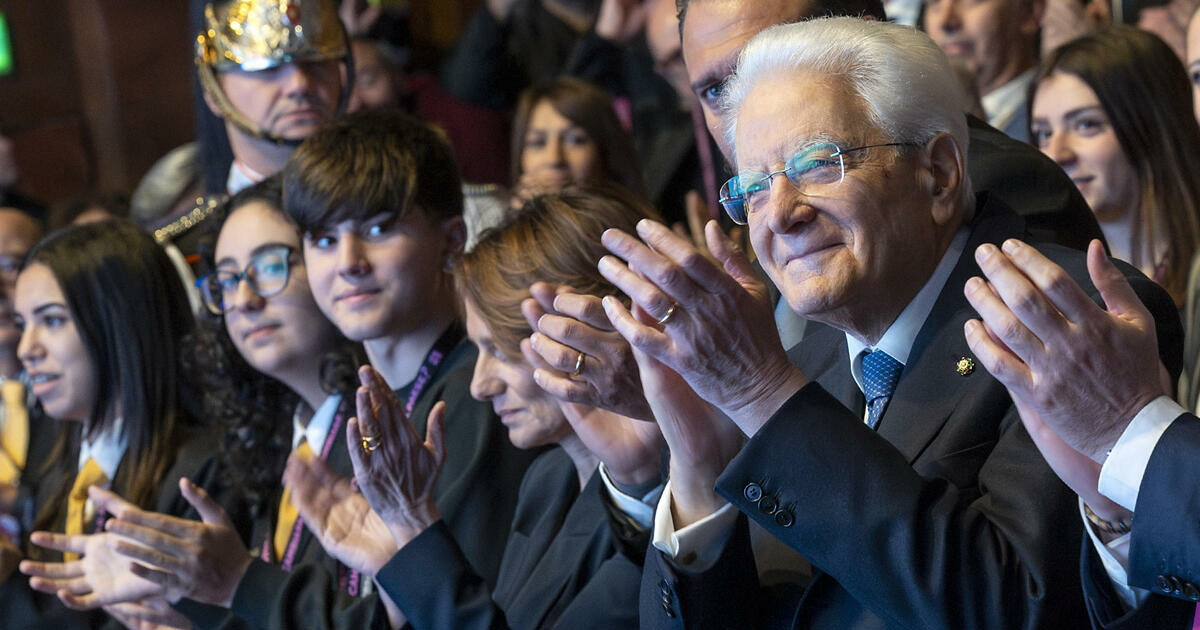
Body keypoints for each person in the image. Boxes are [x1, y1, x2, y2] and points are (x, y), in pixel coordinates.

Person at [594, 17, 1181, 628]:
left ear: (940, 175)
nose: (781, 216)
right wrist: (696, 466)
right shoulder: (803, 359)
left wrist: (761, 394)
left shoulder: (1066, 324)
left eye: (818, 163)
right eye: (755, 188)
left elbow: (1019, 609)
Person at [64, 109, 536, 630]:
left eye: (378, 229)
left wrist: (238, 583)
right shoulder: (363, 412)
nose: (348, 262)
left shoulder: (483, 396)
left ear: (450, 240)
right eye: (324, 240)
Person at [285, 186, 664, 629]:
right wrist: (405, 552)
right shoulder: (547, 481)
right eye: (476, 349)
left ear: (586, 333)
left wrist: (416, 533)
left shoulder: (668, 502)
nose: (481, 386)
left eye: (499, 351)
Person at [4, 220, 235, 629]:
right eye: (24, 324)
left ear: (121, 325)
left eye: (53, 320)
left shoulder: (202, 472)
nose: (26, 349)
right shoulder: (53, 463)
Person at [160, 0, 352, 276]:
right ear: (213, 89)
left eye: (315, 62)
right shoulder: (181, 257)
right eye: (267, 67)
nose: (299, 85)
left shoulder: (401, 207)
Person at [1030, 26, 1200, 308]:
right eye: (1043, 134)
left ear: (1153, 126)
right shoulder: (1050, 282)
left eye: (1086, 125)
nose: (1055, 154)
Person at [922, 0, 1044, 143]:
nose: (946, 21)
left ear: (1029, 12)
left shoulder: (1050, 129)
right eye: (934, 2)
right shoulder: (916, 126)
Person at [511, 78, 646, 200]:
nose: (554, 159)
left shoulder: (634, 225)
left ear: (605, 153)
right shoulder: (501, 220)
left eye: (575, 140)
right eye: (538, 142)